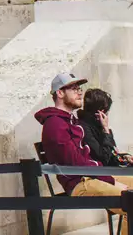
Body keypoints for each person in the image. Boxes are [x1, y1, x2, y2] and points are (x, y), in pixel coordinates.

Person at [35, 72, 133, 234]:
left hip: (93, 176)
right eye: (74, 88)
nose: (80, 92)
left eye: (79, 88)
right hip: (80, 183)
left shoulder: (70, 121)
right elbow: (76, 164)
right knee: (131, 202)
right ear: (60, 93)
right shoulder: (55, 124)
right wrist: (110, 180)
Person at [78, 88, 133, 167]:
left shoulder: (98, 126)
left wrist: (125, 157)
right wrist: (106, 131)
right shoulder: (84, 128)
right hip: (102, 171)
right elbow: (104, 158)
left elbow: (112, 153)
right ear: (101, 112)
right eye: (107, 111)